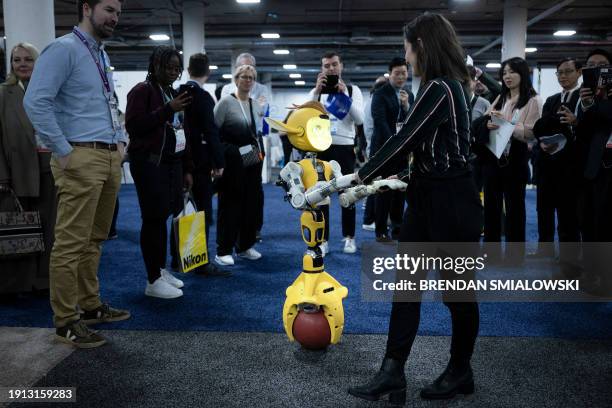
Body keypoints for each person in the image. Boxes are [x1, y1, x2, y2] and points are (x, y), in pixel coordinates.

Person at [347, 13, 482, 404]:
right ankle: (393, 371)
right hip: (424, 197)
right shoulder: (435, 87)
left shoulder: (442, 88)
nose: (405, 58)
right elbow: (412, 146)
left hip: (452, 200)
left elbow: (403, 141)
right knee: (405, 289)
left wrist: (359, 178)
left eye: (407, 49)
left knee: (458, 295)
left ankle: (460, 370)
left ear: (421, 45)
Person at [23, 0, 129, 348]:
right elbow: (36, 101)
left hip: (107, 155)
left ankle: (90, 305)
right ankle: (66, 320)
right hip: (79, 156)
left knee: (95, 239)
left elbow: (106, 104)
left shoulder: (100, 54)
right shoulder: (63, 49)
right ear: (87, 8)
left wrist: (120, 144)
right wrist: (64, 151)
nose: (114, 17)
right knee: (70, 243)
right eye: (109, 9)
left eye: (118, 12)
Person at [125, 46, 193, 299]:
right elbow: (134, 126)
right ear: (155, 66)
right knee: (152, 220)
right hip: (149, 164)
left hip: (172, 165)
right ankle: (152, 279)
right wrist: (168, 109)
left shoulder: (172, 93)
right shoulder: (141, 91)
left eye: (177, 68)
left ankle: (161, 270)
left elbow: (182, 132)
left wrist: (188, 167)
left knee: (163, 218)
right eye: (169, 67)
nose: (174, 72)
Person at [473, 57, 542, 264]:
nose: (507, 76)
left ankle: (514, 256)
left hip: (516, 158)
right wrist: (489, 124)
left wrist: (508, 126)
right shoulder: (501, 98)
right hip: (493, 157)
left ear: (522, 73)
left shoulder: (533, 100)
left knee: (515, 210)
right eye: (504, 73)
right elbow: (483, 120)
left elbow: (533, 132)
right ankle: (491, 254)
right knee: (492, 208)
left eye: (512, 72)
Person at [0, 43, 56, 296]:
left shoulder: (51, 91)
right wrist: (2, 175)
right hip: (16, 171)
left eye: (28, 59)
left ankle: (44, 281)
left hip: (51, 169)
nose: (21, 64)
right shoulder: (3, 93)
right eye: (16, 59)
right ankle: (19, 283)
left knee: (49, 227)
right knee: (19, 228)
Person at [170, 53, 230, 277]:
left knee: (182, 210)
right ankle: (200, 262)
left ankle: (177, 259)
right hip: (200, 163)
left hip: (178, 160)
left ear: (187, 69)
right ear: (208, 72)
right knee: (202, 211)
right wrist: (219, 162)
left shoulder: (176, 93)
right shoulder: (204, 98)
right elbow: (210, 132)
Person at [308, 51, 364, 254]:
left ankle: (349, 237)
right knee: (322, 195)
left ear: (341, 66)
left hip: (344, 147)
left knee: (347, 194)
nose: (330, 68)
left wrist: (344, 96)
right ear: (322, 69)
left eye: (334, 64)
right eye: (326, 66)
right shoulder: (318, 92)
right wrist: (316, 91)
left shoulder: (352, 89)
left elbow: (359, 120)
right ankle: (323, 240)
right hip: (321, 147)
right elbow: (306, 115)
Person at [531, 57, 582, 261]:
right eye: (559, 72)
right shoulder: (552, 99)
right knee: (543, 209)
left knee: (567, 214)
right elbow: (541, 128)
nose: (563, 76)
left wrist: (574, 123)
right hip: (547, 163)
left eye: (568, 71)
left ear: (579, 72)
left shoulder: (583, 98)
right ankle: (545, 249)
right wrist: (542, 141)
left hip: (570, 166)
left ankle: (569, 257)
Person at [213, 64, 264, 266]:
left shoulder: (255, 104)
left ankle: (245, 245)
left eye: (251, 77)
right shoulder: (225, 103)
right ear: (236, 79)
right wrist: (218, 160)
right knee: (230, 204)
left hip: (251, 159)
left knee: (251, 203)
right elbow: (213, 134)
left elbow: (255, 133)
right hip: (231, 160)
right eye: (244, 77)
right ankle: (223, 249)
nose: (248, 80)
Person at [575, 49, 612, 292]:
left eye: (601, 65)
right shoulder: (586, 98)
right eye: (591, 65)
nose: (596, 68)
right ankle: (592, 274)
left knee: (607, 224)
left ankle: (606, 279)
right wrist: (587, 104)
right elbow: (584, 131)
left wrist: (601, 101)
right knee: (589, 223)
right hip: (592, 167)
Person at [221, 52, 268, 242]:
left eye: (250, 70)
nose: (247, 74)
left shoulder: (263, 88)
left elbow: (263, 113)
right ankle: (232, 235)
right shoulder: (226, 90)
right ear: (236, 71)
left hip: (254, 144)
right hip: (234, 145)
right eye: (242, 69)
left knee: (253, 189)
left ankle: (253, 230)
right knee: (234, 188)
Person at [370, 58, 414, 241]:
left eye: (404, 72)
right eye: (397, 73)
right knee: (384, 190)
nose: (401, 76)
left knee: (400, 190)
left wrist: (406, 106)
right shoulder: (380, 94)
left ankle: (397, 228)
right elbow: (379, 122)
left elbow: (412, 120)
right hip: (384, 151)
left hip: (402, 151)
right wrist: (394, 144)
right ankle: (380, 230)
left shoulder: (409, 94)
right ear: (390, 74)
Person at [362, 76, 388, 231]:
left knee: (375, 183)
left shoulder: (373, 100)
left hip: (374, 147)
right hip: (377, 148)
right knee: (375, 185)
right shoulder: (375, 102)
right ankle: (369, 218)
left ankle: (372, 218)